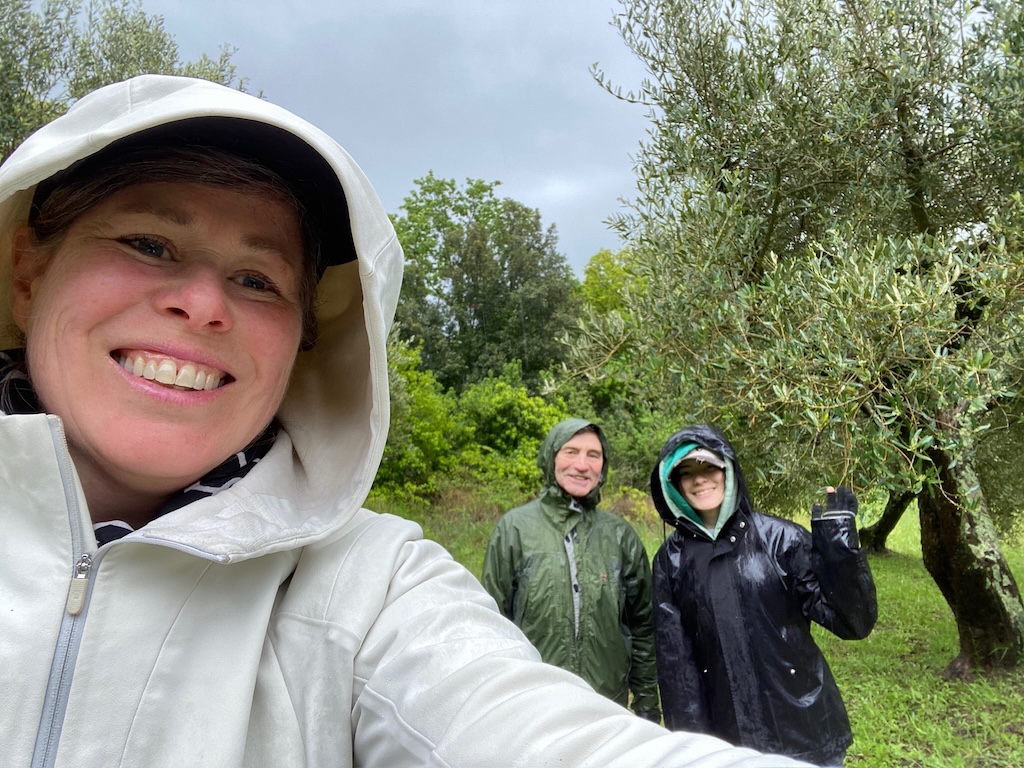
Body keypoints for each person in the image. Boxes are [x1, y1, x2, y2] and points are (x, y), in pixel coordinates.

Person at [0, 74, 815, 767]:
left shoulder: (371, 586)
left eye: (258, 279)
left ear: (306, 341)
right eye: (148, 243)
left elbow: (521, 714)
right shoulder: (517, 531)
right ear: (26, 271)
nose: (204, 304)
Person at [650, 424, 878, 767]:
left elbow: (853, 621)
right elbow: (676, 667)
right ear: (674, 484)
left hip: (804, 732)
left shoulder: (782, 539)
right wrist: (690, 751)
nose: (699, 479)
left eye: (708, 466)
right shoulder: (671, 561)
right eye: (687, 472)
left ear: (728, 470)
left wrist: (838, 546)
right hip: (727, 743)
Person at [481, 418, 660, 721]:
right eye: (570, 452)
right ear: (551, 457)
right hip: (532, 701)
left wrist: (646, 706)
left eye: (593, 455)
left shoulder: (620, 535)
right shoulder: (515, 529)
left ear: (603, 466)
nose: (581, 464)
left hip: (606, 704)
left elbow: (644, 628)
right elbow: (491, 623)